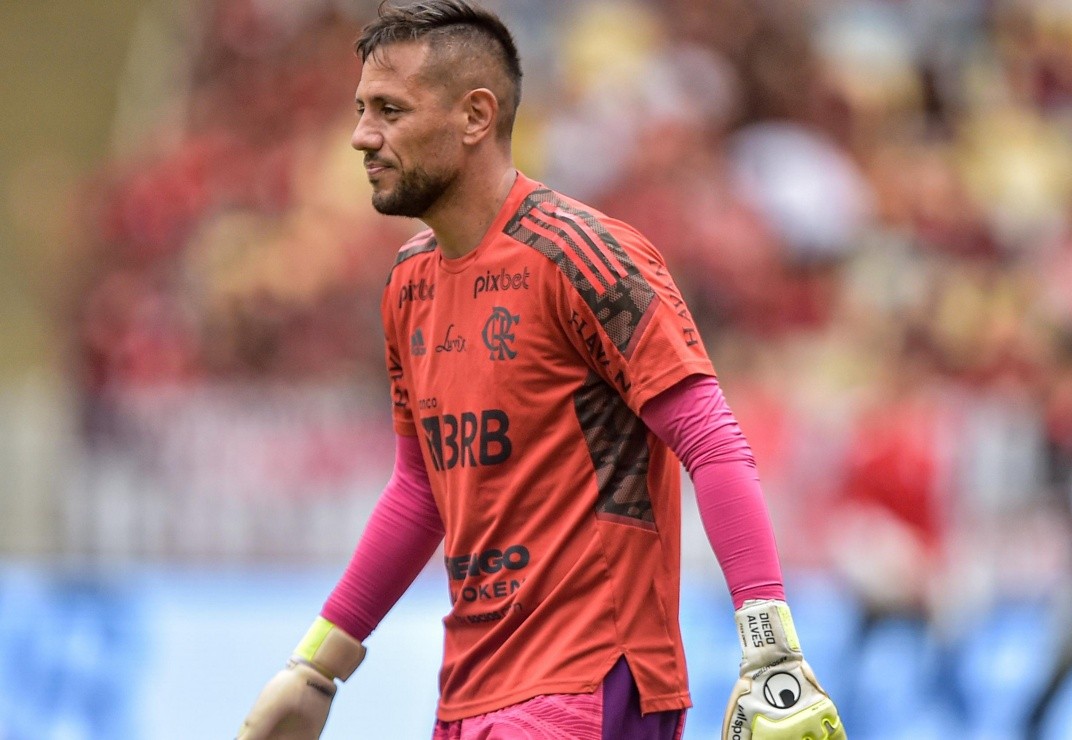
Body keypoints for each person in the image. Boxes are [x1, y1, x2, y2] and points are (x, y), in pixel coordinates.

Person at [237, 2, 844, 738]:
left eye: (390, 110)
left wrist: (771, 653)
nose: (363, 135)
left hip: (592, 679)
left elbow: (710, 440)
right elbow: (420, 490)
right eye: (363, 109)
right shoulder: (408, 286)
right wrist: (318, 666)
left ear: (475, 116)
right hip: (470, 691)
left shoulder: (582, 254)